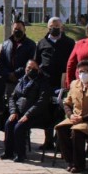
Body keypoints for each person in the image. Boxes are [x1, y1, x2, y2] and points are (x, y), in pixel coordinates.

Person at [54, 59, 88, 174]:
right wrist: (70, 115)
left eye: (86, 71)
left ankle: (79, 164)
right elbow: (67, 102)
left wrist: (83, 118)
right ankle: (70, 161)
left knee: (76, 132)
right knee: (60, 128)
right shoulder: (74, 84)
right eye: (80, 71)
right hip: (74, 117)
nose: (83, 74)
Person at [34, 16, 76, 150]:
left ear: (62, 27)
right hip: (46, 83)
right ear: (48, 27)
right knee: (47, 111)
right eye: (52, 26)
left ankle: (59, 141)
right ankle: (48, 140)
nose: (55, 28)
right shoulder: (42, 43)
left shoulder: (69, 42)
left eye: (57, 26)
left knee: (60, 111)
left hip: (62, 83)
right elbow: (36, 62)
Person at [0, 59, 51, 163]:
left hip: (36, 114)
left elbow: (42, 102)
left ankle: (21, 154)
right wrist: (13, 111)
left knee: (19, 127)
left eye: (33, 68)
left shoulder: (43, 81)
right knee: (9, 123)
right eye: (28, 68)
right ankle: (8, 152)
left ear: (38, 69)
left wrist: (28, 114)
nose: (30, 70)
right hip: (19, 112)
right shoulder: (22, 80)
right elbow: (12, 98)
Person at [0, 20, 37, 96]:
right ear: (12, 30)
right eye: (15, 28)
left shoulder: (31, 44)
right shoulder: (6, 44)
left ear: (24, 29)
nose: (17, 30)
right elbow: (0, 61)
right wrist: (8, 74)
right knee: (9, 101)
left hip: (24, 80)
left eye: (19, 28)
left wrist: (16, 74)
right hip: (8, 80)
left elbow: (32, 61)